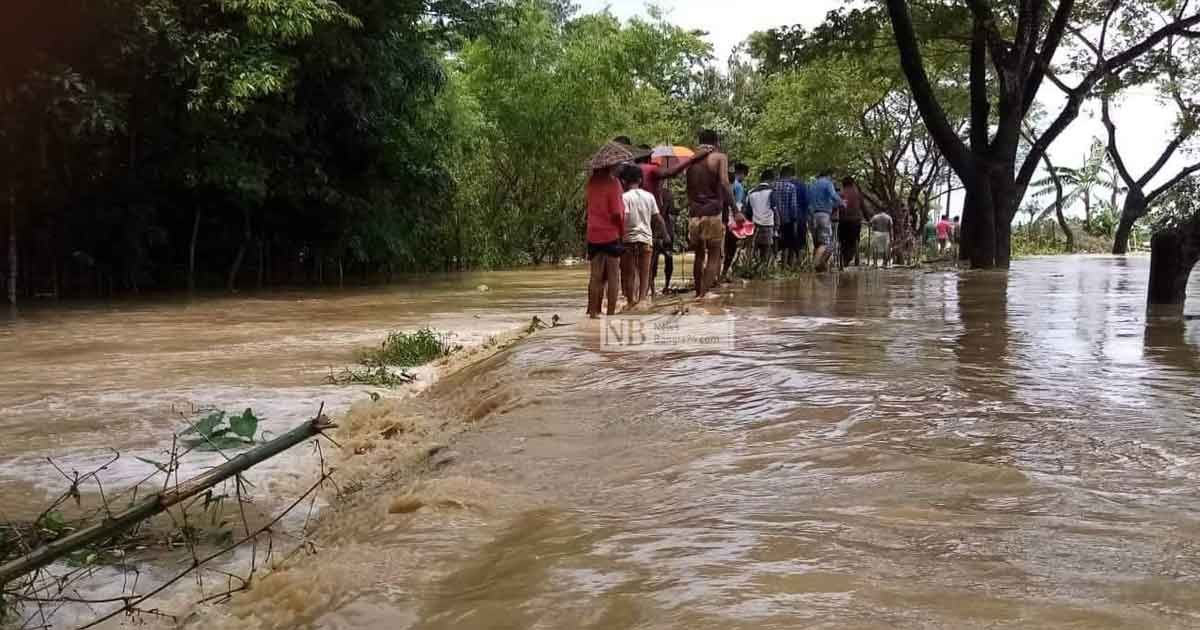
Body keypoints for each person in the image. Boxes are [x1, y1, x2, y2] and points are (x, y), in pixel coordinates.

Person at [637, 146, 710, 294]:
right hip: (654, 221)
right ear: (649, 157)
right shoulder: (652, 171)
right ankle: (644, 294)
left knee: (639, 259)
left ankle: (640, 292)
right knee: (651, 256)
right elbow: (672, 173)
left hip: (635, 218)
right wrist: (692, 159)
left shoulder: (629, 172)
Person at [686, 129, 739, 299]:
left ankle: (697, 293)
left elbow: (689, 189)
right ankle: (703, 295)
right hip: (712, 213)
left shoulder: (691, 160)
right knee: (714, 254)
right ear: (716, 142)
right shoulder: (719, 157)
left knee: (699, 255)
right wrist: (736, 210)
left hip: (694, 214)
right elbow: (724, 182)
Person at [585, 144, 628, 318]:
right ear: (612, 165)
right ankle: (610, 313)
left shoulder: (591, 183)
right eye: (618, 164)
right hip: (610, 234)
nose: (619, 167)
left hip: (593, 234)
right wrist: (622, 232)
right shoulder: (614, 183)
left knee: (595, 276)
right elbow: (617, 212)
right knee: (613, 276)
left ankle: (594, 312)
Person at [618, 164, 661, 308]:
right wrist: (664, 234)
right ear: (640, 180)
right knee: (645, 272)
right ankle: (642, 300)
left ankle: (630, 301)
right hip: (646, 239)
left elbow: (625, 217)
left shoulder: (624, 197)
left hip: (629, 240)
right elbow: (657, 217)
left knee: (629, 273)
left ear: (624, 181)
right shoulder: (649, 196)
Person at [808, 169, 843, 272]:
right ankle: (814, 266)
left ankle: (821, 267)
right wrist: (842, 202)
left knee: (817, 244)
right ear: (829, 175)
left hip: (812, 216)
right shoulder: (827, 183)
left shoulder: (812, 185)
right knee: (826, 243)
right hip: (824, 215)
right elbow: (834, 196)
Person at [774, 165, 808, 267]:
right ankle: (793, 264)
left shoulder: (773, 185)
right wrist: (795, 218)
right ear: (791, 174)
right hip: (789, 219)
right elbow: (794, 205)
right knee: (792, 243)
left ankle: (775, 264)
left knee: (777, 242)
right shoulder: (793, 186)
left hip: (774, 219)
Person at [745, 169, 777, 268]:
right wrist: (778, 224)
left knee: (754, 248)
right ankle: (763, 270)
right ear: (771, 180)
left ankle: (752, 267)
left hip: (755, 224)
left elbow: (748, 211)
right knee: (766, 249)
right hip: (768, 224)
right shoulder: (772, 191)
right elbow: (775, 208)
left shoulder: (751, 192)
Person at [838, 176, 864, 267]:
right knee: (854, 240)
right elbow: (863, 206)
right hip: (856, 220)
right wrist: (868, 218)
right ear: (852, 183)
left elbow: (837, 206)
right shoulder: (858, 193)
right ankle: (849, 258)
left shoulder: (841, 193)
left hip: (843, 220)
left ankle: (844, 259)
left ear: (843, 184)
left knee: (843, 241)